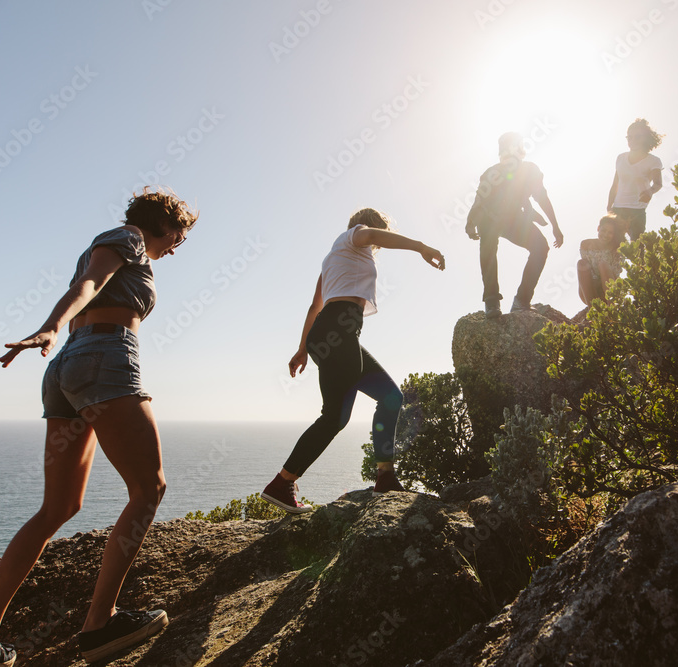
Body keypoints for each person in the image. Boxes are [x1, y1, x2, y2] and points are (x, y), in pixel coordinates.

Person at [0, 188, 198, 667]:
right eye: (179, 237)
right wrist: (50, 326)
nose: (177, 246)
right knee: (150, 488)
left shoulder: (120, 243)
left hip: (70, 370)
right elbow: (88, 285)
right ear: (163, 223)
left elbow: (91, 282)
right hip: (102, 356)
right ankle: (99, 626)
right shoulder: (127, 238)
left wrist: (60, 335)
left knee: (59, 506)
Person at [261, 208, 445, 513]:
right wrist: (421, 247)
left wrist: (302, 348)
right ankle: (283, 484)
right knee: (348, 412)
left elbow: (314, 306)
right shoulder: (354, 235)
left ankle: (381, 477)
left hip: (330, 333)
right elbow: (371, 235)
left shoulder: (332, 258)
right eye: (379, 235)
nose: (377, 245)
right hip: (338, 332)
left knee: (376, 402)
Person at [466, 131, 564, 319]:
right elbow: (479, 200)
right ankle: (491, 300)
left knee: (540, 247)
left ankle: (522, 300)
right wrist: (471, 221)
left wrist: (554, 225)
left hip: (512, 219)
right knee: (488, 249)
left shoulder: (530, 170)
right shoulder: (491, 173)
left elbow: (541, 198)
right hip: (489, 219)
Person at [607, 118, 663, 246]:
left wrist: (650, 191)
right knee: (613, 247)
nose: (633, 141)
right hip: (617, 209)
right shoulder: (621, 158)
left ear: (646, 138)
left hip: (637, 211)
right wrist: (609, 206)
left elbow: (658, 184)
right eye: (629, 137)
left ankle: (639, 267)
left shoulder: (654, 161)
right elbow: (615, 184)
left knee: (637, 249)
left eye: (638, 137)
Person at [578, 214, 624, 306]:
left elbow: (615, 275)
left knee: (603, 265)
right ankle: (593, 309)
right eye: (603, 230)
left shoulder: (617, 248)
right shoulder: (586, 244)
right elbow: (587, 273)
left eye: (610, 233)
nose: (606, 235)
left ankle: (612, 310)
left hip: (609, 291)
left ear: (614, 235)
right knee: (581, 263)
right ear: (598, 228)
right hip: (590, 291)